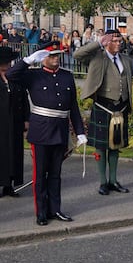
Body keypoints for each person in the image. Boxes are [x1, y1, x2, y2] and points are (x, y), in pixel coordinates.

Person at [6, 41, 86, 225]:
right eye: (51, 56)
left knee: (56, 174)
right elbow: (10, 74)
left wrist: (79, 132)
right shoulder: (33, 75)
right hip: (41, 130)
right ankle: (41, 212)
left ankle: (55, 209)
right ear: (43, 58)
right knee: (40, 175)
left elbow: (72, 106)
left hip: (60, 130)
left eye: (57, 55)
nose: (56, 58)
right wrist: (27, 60)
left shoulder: (66, 76)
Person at [74, 29, 132, 196]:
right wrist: (98, 42)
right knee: (101, 147)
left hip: (120, 108)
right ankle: (103, 182)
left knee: (116, 146)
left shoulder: (126, 60)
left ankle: (113, 180)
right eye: (114, 40)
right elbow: (77, 55)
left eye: (120, 41)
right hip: (103, 106)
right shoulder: (97, 57)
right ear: (107, 41)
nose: (118, 43)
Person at [0, 46, 27, 198]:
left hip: (14, 121)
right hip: (1, 121)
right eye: (6, 62)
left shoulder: (16, 79)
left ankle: (9, 184)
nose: (9, 65)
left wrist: (26, 118)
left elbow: (24, 99)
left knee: (13, 152)